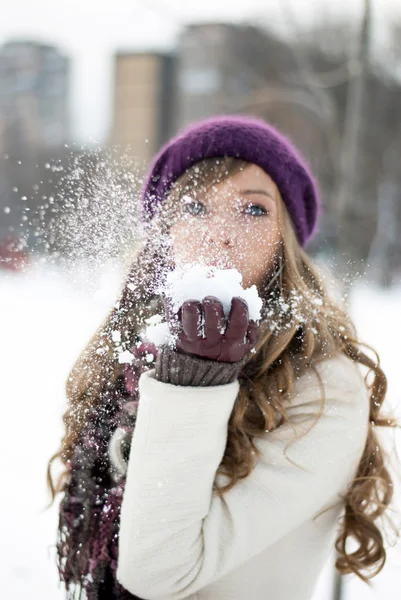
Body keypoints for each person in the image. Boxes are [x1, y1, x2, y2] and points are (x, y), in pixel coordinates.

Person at [47, 115, 398, 600]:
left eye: (253, 210)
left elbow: (156, 573)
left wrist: (194, 382)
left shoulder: (321, 387)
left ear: (285, 242)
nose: (221, 233)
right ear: (165, 235)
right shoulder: (137, 357)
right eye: (195, 206)